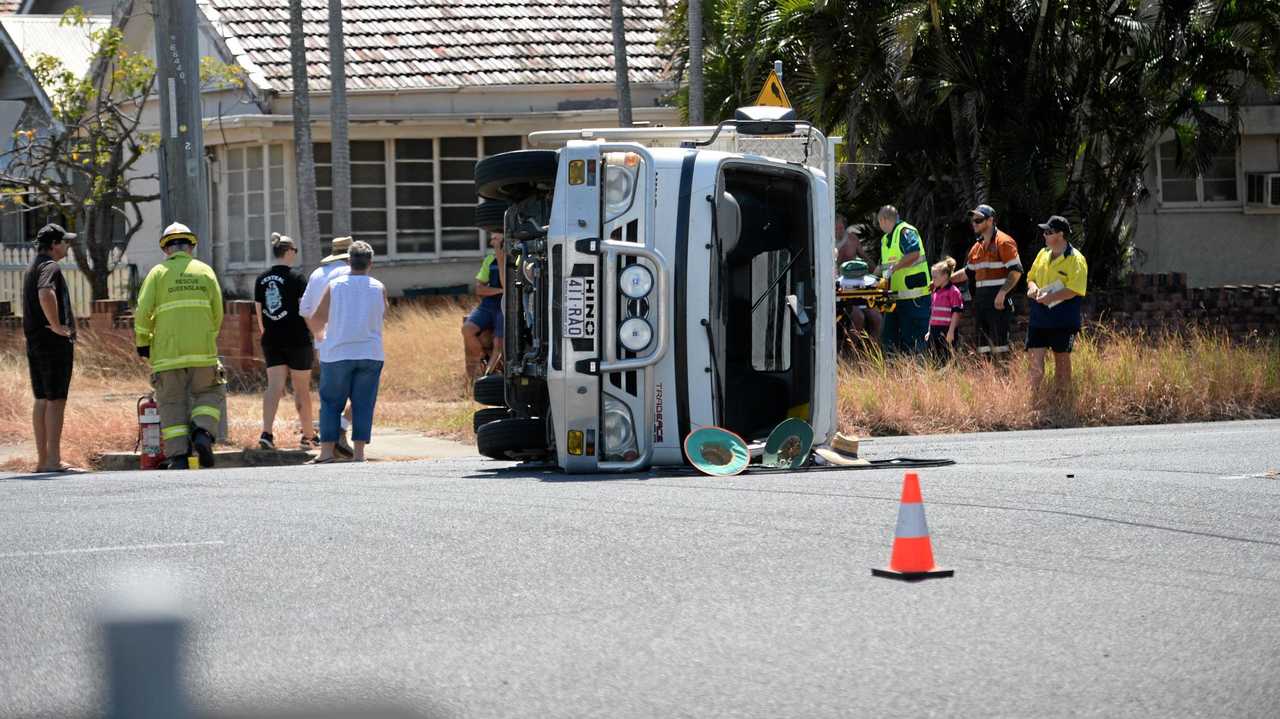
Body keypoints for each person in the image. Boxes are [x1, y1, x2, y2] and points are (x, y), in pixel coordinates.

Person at [134, 222, 225, 469]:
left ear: (166, 249)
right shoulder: (205, 271)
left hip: (167, 355)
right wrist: (206, 336)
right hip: (203, 353)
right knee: (210, 393)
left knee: (172, 403)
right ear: (191, 247)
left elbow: (142, 312)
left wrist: (143, 343)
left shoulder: (158, 273)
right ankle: (203, 433)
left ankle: (178, 457)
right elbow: (218, 312)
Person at [307, 241, 387, 463]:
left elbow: (317, 318)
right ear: (370, 263)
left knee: (331, 403)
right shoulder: (378, 287)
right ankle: (359, 453)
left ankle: (326, 452)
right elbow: (383, 314)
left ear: (349, 261)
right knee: (363, 402)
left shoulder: (335, 285)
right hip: (370, 352)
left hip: (337, 352)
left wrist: (322, 338)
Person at [23, 224, 84, 473]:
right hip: (52, 343)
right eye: (65, 242)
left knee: (42, 400)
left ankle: (43, 460)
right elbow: (46, 293)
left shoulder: (32, 267)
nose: (67, 246)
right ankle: (54, 461)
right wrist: (57, 325)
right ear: (54, 244)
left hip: (35, 341)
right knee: (56, 400)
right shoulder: (50, 266)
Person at [254, 233, 315, 450]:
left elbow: (259, 313)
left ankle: (267, 433)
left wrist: (268, 333)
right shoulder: (297, 279)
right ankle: (308, 435)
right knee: (301, 389)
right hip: (297, 339)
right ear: (289, 252)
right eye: (295, 251)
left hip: (271, 339)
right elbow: (305, 310)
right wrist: (314, 333)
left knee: (274, 387)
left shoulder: (261, 279)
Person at [300, 235, 355, 458]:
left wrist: (317, 334)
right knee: (359, 392)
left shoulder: (316, 274)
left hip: (325, 344)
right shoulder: (351, 273)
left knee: (330, 394)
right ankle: (340, 429)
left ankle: (329, 444)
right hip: (351, 340)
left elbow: (304, 310)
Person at [1025, 215, 1088, 396]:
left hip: (1063, 319)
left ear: (1060, 234)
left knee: (1062, 361)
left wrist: (1051, 297)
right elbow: (1031, 277)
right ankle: (1033, 401)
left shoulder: (1076, 259)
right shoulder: (1042, 253)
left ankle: (1063, 402)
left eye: (1048, 232)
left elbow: (1075, 289)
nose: (1044, 235)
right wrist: (1033, 288)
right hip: (1039, 317)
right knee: (1035, 362)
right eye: (1044, 231)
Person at [951, 204, 1022, 361]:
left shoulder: (1004, 242)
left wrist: (1002, 293)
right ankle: (988, 382)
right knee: (982, 349)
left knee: (1000, 348)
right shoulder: (976, 247)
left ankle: (1005, 382)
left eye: (978, 220)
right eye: (973, 220)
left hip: (998, 302)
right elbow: (967, 272)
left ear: (990, 221)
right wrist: (943, 281)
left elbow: (1016, 271)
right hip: (981, 303)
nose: (974, 223)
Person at [875, 205, 932, 356]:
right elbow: (884, 265)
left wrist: (894, 268)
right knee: (891, 339)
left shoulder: (905, 231)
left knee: (915, 341)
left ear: (884, 220)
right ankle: (898, 374)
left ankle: (919, 374)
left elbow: (914, 253)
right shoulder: (885, 240)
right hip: (896, 298)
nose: (879, 226)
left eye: (879, 223)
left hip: (915, 298)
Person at [462, 231, 505, 380]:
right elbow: (479, 289)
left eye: (496, 239)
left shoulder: (516, 259)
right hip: (488, 305)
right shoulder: (488, 260)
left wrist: (501, 258)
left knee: (498, 344)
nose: (492, 243)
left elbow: (507, 282)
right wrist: (500, 290)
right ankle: (481, 356)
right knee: (467, 329)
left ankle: (487, 376)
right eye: (492, 239)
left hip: (505, 306)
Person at [925, 257, 963, 364]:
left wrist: (951, 332)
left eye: (935, 277)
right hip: (934, 330)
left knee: (947, 360)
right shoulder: (935, 292)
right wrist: (929, 330)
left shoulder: (953, 291)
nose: (932, 280)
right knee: (933, 361)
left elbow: (956, 313)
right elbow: (933, 313)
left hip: (946, 330)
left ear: (945, 276)